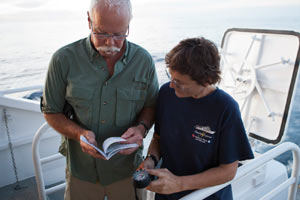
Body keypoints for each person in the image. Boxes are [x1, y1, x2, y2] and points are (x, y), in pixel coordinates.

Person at [41, 0, 159, 199]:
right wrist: (79, 133)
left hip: (127, 169)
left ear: (128, 26)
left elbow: (151, 106)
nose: (110, 42)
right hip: (82, 171)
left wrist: (141, 128)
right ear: (89, 21)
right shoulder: (63, 60)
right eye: (102, 33)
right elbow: (51, 111)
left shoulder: (144, 61)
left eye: (119, 34)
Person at [139, 37, 254, 200]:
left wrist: (179, 183)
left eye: (179, 82)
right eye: (170, 76)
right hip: (167, 194)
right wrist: (151, 159)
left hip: (207, 195)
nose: (171, 85)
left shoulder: (226, 108)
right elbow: (158, 137)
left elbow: (228, 171)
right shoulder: (166, 94)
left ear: (206, 80)